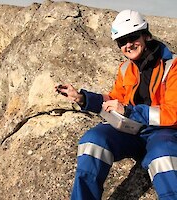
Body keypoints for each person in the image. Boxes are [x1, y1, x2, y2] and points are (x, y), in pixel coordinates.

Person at [55, 9, 177, 200]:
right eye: (122, 41)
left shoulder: (173, 66)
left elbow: (173, 113)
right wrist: (83, 98)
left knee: (163, 156)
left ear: (146, 35)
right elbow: (114, 99)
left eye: (133, 37)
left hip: (163, 132)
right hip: (132, 131)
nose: (128, 45)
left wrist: (130, 111)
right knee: (92, 141)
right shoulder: (126, 68)